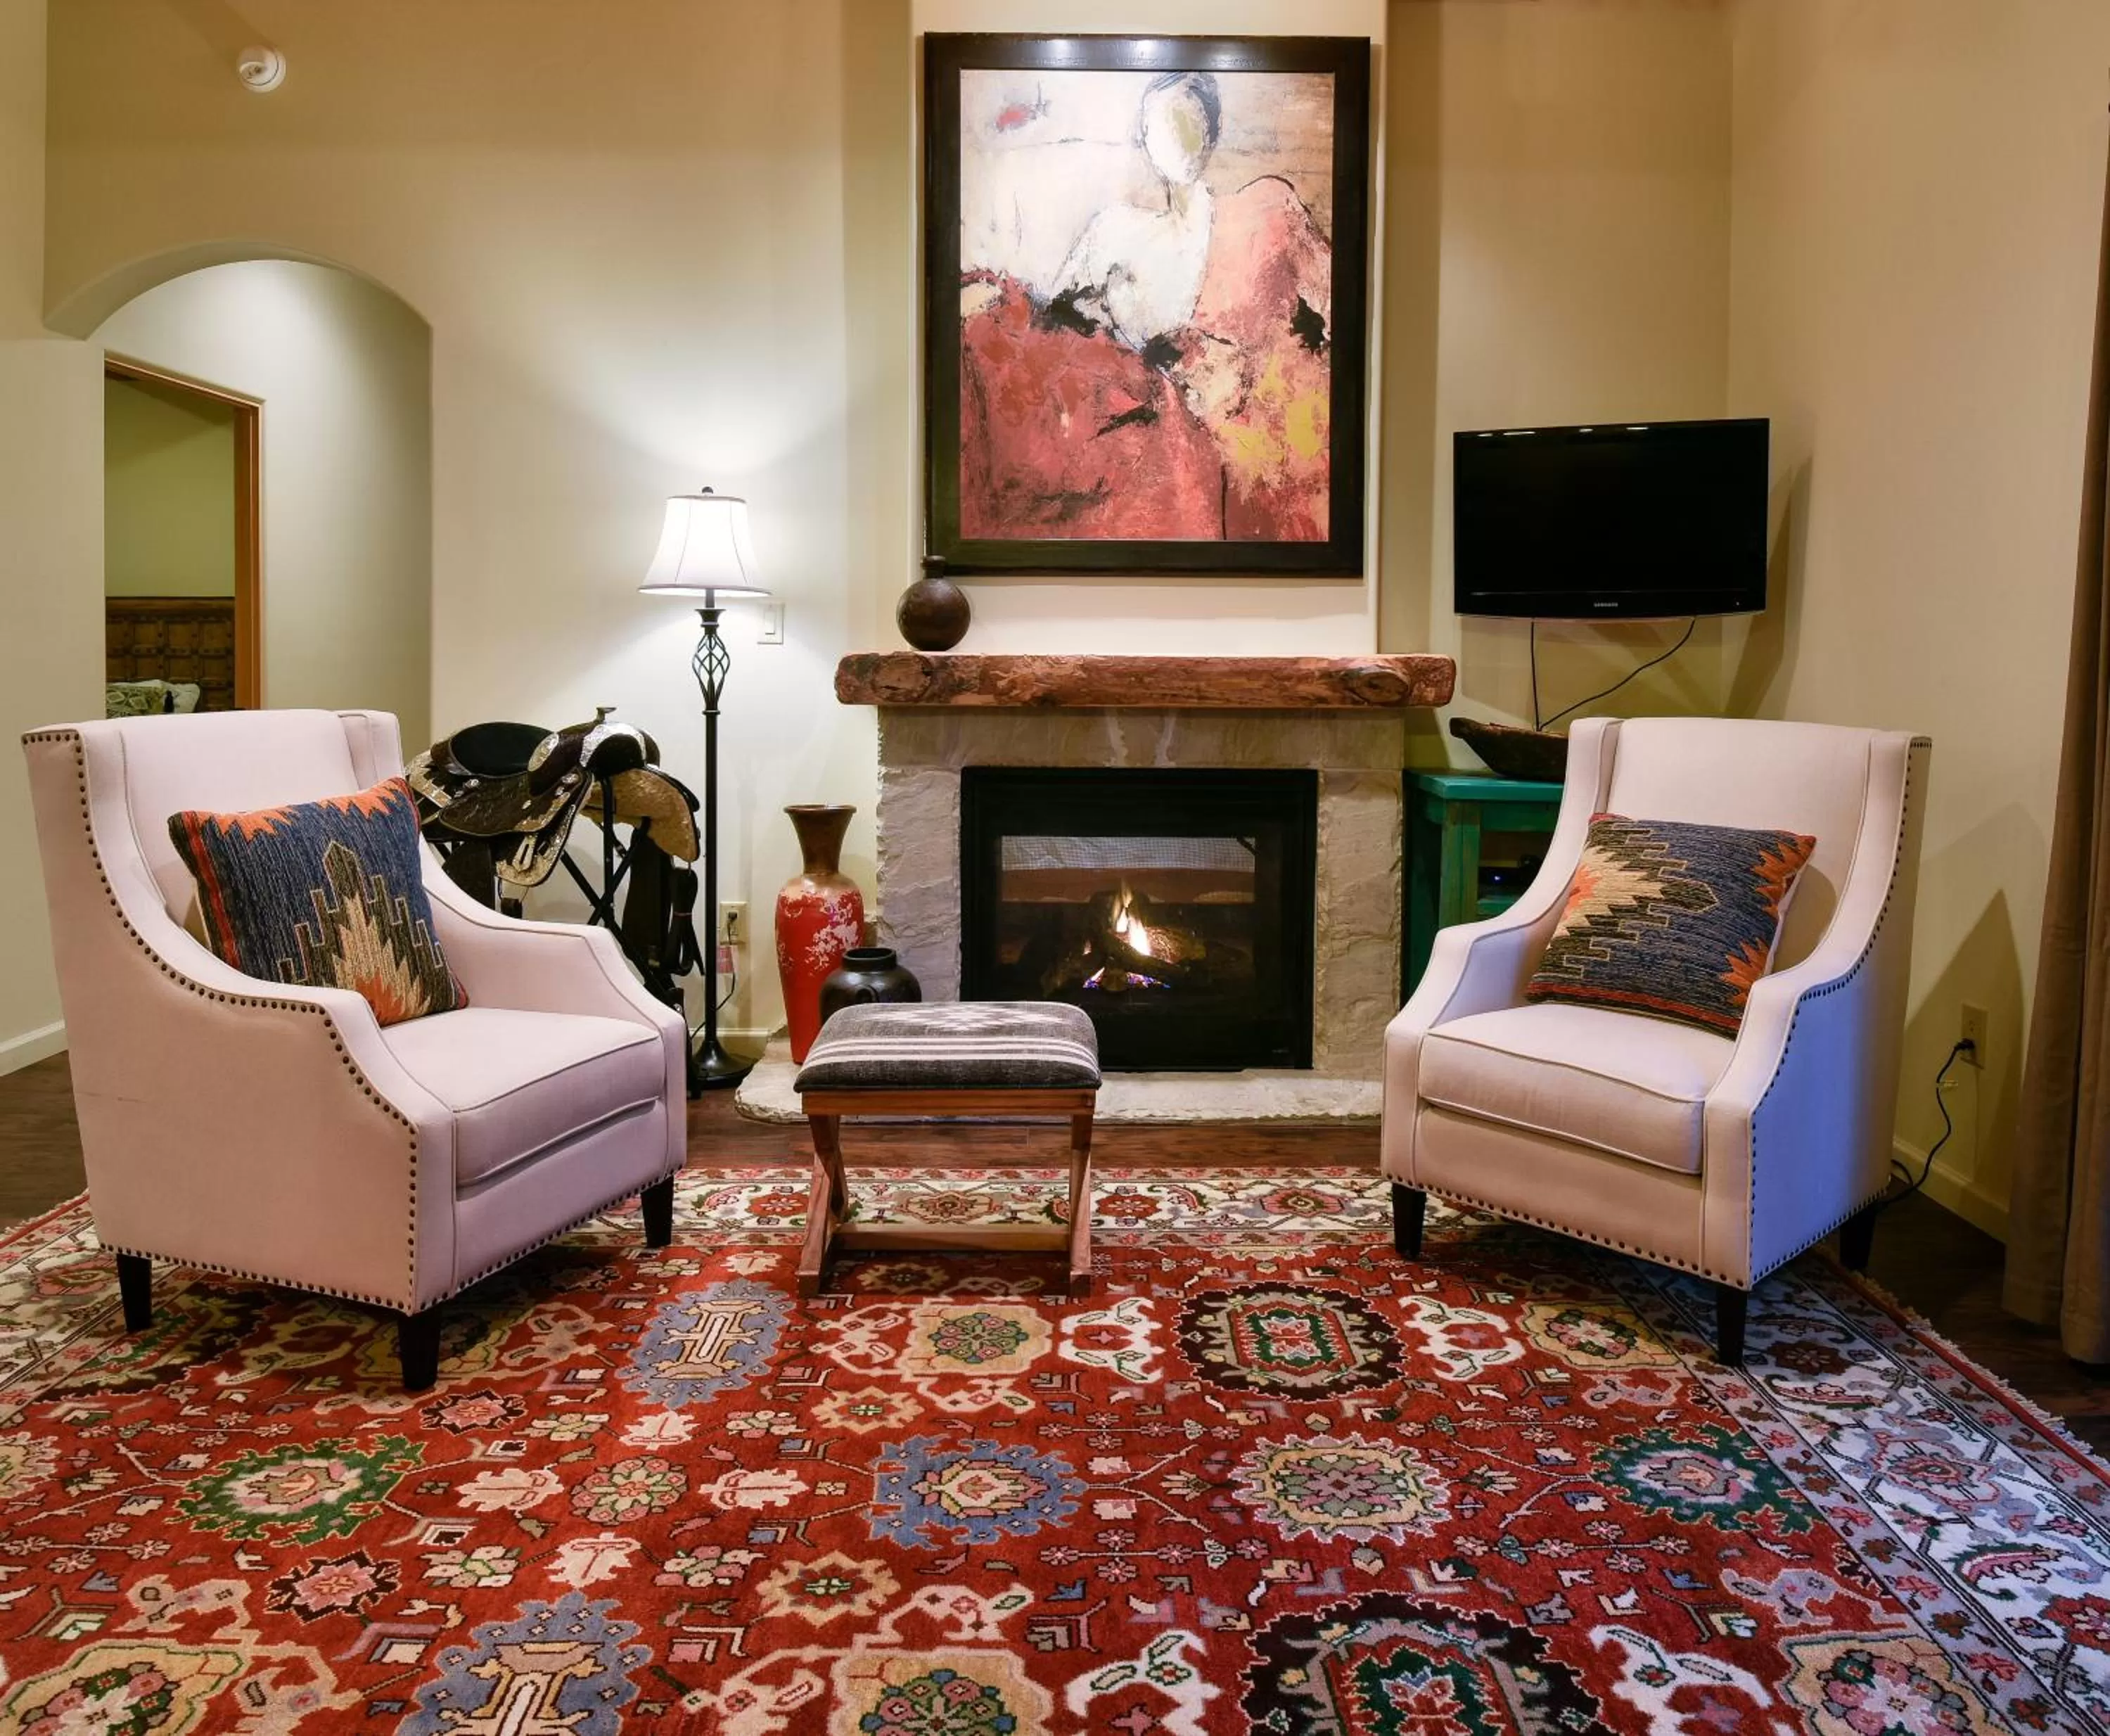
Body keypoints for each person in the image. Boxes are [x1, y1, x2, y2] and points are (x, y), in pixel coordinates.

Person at [960, 70, 1334, 544]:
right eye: (1162, 123)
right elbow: (1049, 328)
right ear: (1144, 138)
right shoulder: (1116, 234)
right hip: (1154, 459)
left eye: (1190, 118)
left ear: (1213, 130)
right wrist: (997, 302)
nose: (1178, 133)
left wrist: (1259, 378)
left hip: (1256, 454)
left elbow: (1345, 324)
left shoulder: (1266, 211)